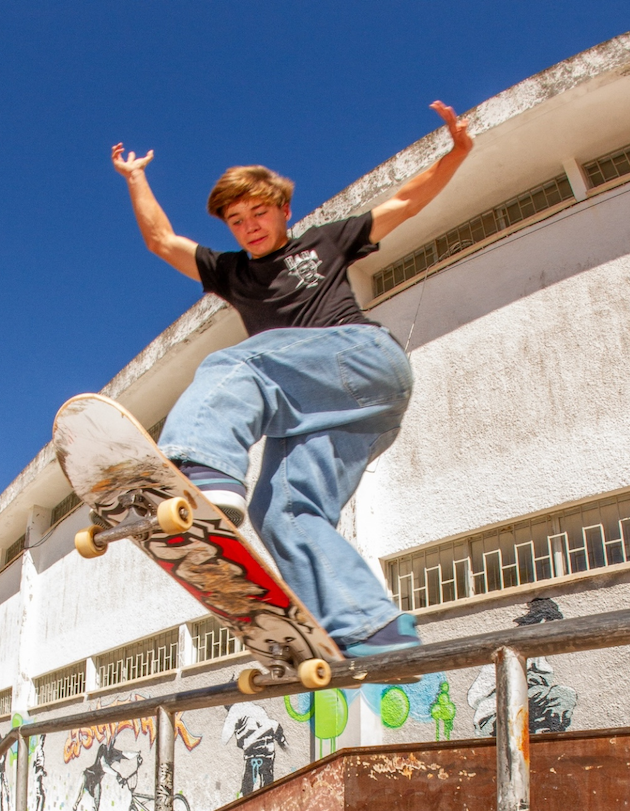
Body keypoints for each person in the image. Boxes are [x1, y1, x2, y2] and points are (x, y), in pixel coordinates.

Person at [111, 102, 473, 656]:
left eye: (258, 213)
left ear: (283, 210)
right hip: (341, 417)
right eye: (236, 221)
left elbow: (404, 200)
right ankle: (371, 626)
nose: (248, 227)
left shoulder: (326, 242)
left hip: (362, 363)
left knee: (239, 362)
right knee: (281, 509)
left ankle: (200, 465)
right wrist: (137, 178)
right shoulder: (231, 272)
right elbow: (162, 240)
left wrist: (457, 153)